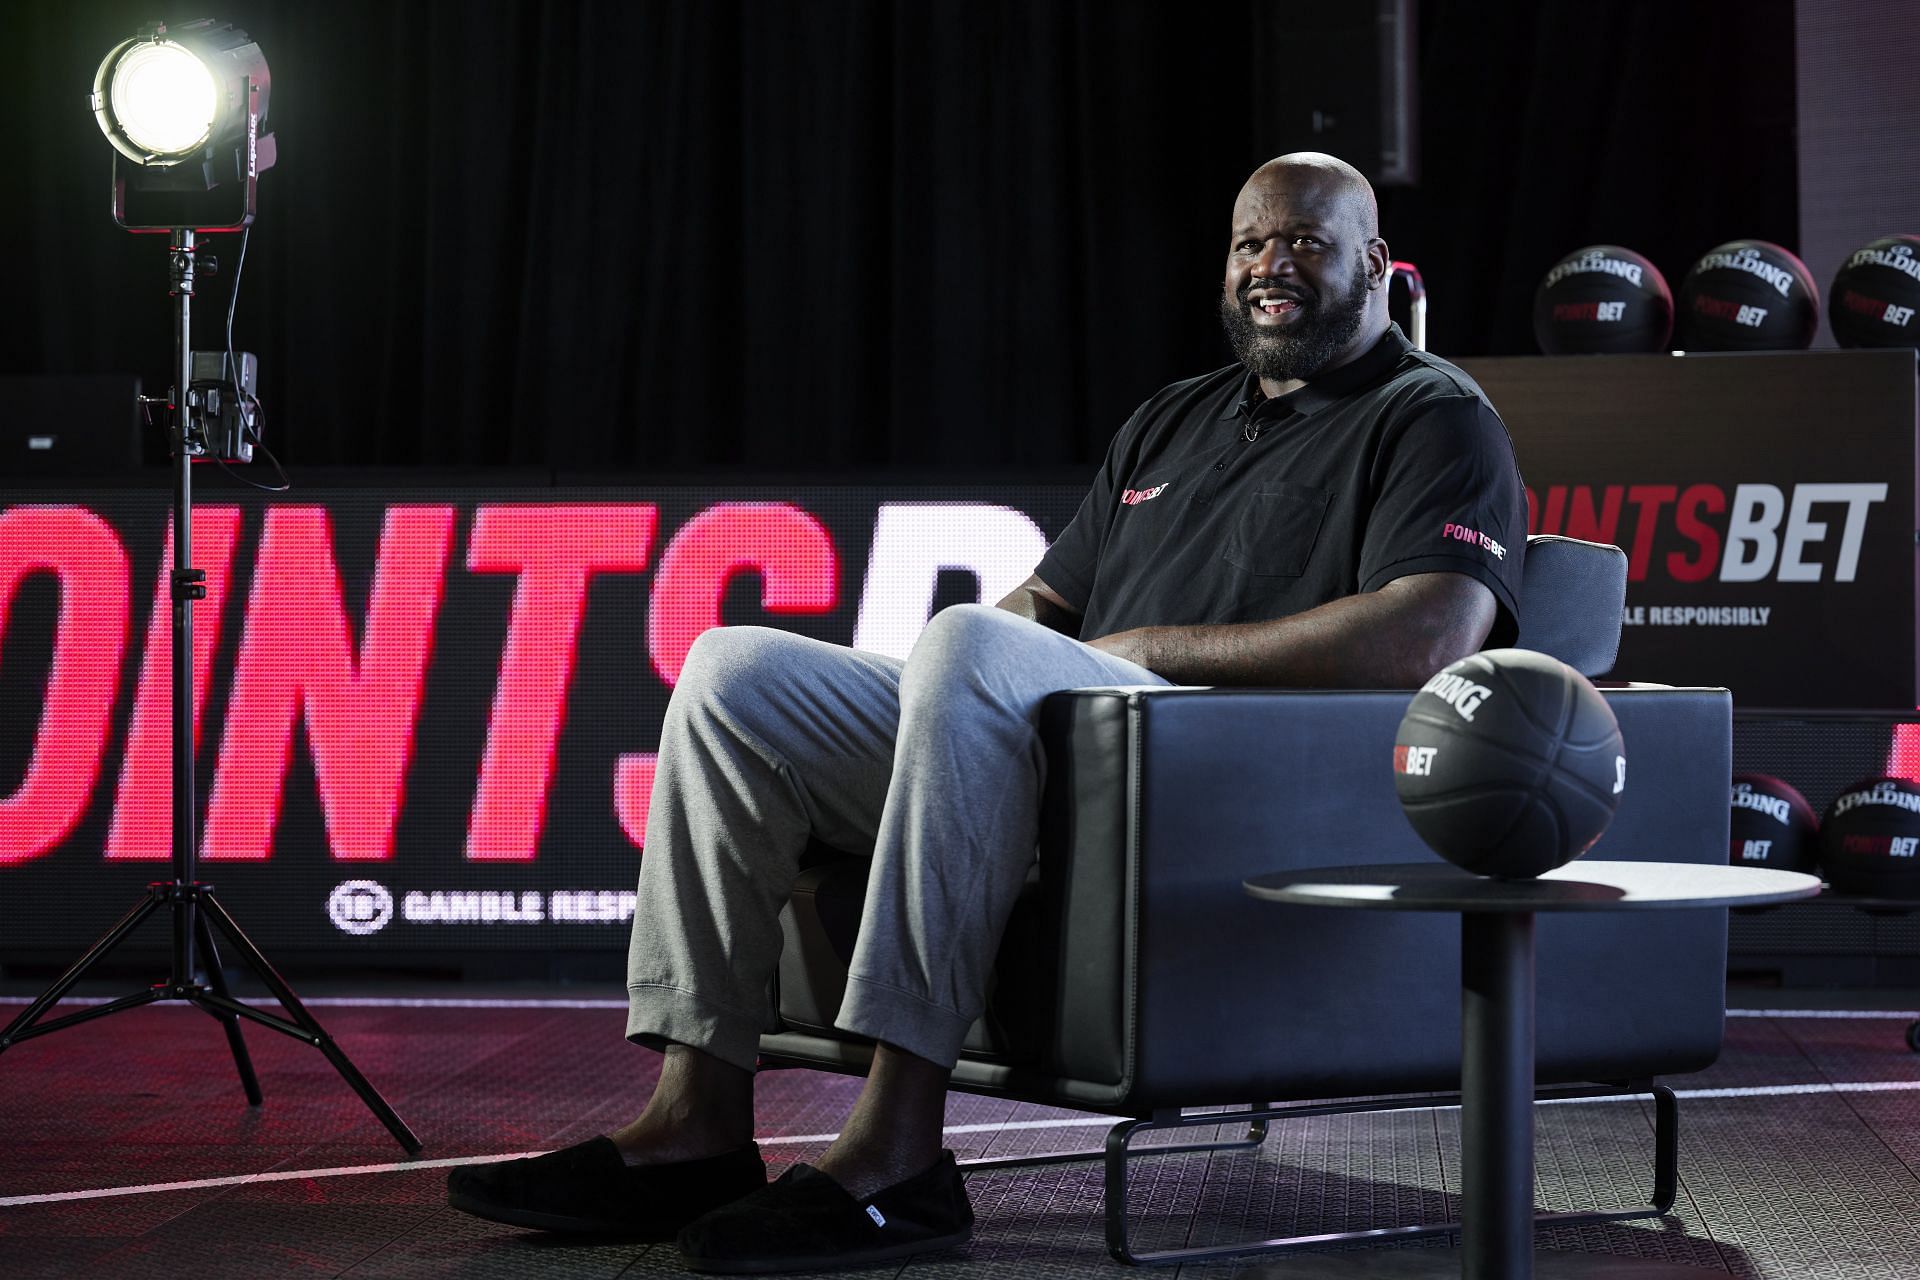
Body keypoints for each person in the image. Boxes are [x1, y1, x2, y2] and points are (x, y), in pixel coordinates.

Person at [447, 151, 1527, 1273]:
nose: (1271, 265)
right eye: (1251, 241)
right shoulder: (1174, 420)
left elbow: (1425, 637)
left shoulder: (1434, 414)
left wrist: (1143, 647)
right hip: (1072, 733)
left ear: (1376, 265)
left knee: (969, 643)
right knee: (736, 672)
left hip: (1216, 762)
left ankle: (899, 1143)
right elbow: (1039, 606)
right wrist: (927, 701)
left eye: (1306, 240)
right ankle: (696, 1119)